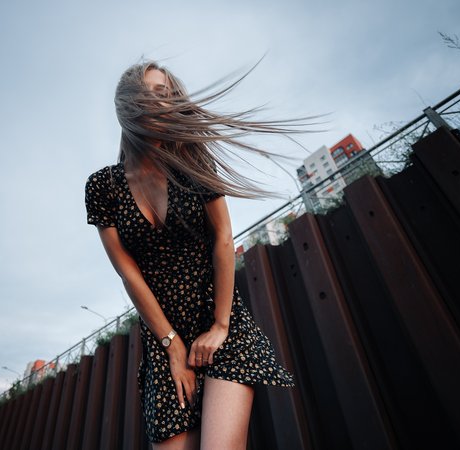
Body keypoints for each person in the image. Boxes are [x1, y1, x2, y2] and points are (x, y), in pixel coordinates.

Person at [85, 60, 298, 450]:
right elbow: (127, 272)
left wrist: (219, 326)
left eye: (166, 94)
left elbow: (222, 237)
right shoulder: (103, 187)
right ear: (128, 104)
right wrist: (172, 345)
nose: (160, 102)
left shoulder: (193, 164)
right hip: (165, 340)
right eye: (150, 93)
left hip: (219, 327)